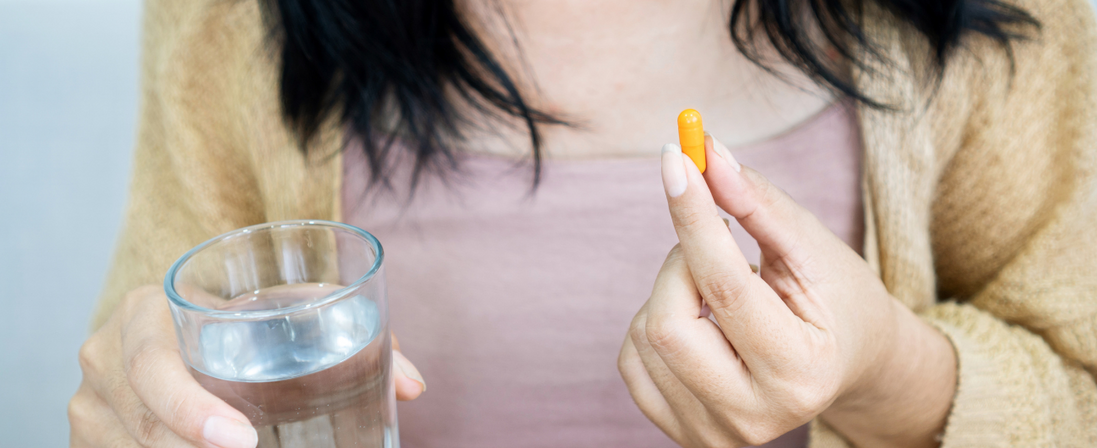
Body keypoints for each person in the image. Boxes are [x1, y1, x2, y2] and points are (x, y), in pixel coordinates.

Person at [69, 0, 1097, 446]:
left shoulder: (997, 34)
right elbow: (154, 344)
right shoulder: (234, 25)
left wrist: (887, 373)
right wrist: (139, 408)